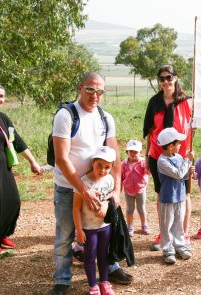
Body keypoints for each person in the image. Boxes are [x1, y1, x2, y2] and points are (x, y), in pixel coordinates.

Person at [51, 72, 132, 295]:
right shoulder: (66, 116)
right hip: (70, 188)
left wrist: (116, 190)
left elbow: (114, 156)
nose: (94, 95)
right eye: (90, 89)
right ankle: (62, 279)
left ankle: (111, 267)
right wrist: (83, 189)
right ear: (80, 88)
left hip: (102, 188)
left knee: (107, 230)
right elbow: (61, 158)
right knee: (66, 234)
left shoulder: (106, 118)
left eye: (99, 91)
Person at [0, 83, 42, 256]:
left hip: (3, 168)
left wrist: (33, 162)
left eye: (2, 96)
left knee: (12, 201)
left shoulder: (3, 117)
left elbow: (18, 141)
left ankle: (1, 233)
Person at [143, 65, 193, 251]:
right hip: (158, 155)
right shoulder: (154, 102)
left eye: (169, 77)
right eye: (162, 78)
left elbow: (192, 126)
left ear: (176, 78)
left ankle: (183, 233)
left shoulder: (187, 103)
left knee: (184, 195)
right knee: (161, 195)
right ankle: (164, 234)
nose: (165, 81)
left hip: (182, 157)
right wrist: (148, 154)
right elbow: (150, 130)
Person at [73, 146, 116, 295]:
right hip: (89, 227)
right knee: (90, 256)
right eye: (99, 165)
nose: (103, 170)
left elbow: (113, 196)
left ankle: (104, 281)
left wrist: (106, 204)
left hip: (105, 226)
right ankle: (93, 285)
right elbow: (76, 209)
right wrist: (79, 230)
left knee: (103, 254)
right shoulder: (83, 183)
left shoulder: (109, 179)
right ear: (93, 162)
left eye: (107, 167)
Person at [156, 127, 194, 264]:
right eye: (178, 143)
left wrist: (191, 173)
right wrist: (188, 161)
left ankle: (179, 245)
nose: (180, 145)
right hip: (168, 198)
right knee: (167, 224)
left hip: (180, 196)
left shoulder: (178, 157)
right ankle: (168, 249)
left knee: (178, 222)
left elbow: (183, 176)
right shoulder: (162, 161)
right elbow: (177, 174)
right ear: (171, 146)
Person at [121, 139, 149, 237]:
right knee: (129, 209)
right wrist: (120, 187)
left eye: (135, 152)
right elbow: (121, 176)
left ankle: (144, 225)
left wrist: (148, 165)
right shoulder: (124, 164)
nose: (133, 154)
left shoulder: (143, 162)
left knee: (141, 209)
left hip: (140, 190)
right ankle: (130, 226)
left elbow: (148, 172)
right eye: (130, 151)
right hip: (128, 190)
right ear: (127, 152)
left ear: (140, 152)